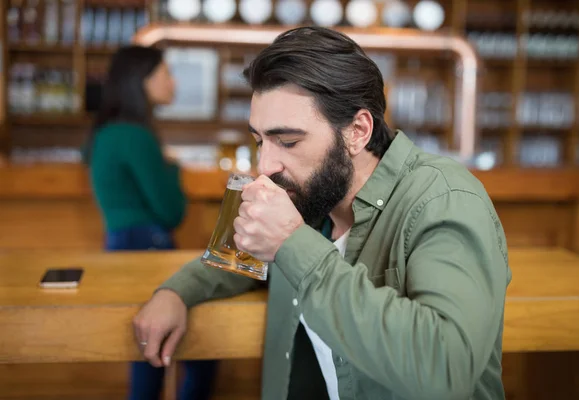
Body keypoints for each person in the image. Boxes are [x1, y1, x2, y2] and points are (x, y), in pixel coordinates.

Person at [133, 27, 511, 400]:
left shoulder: (444, 198)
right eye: (259, 140)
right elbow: (242, 257)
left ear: (357, 131)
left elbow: (446, 369)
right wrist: (177, 292)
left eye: (289, 141)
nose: (266, 164)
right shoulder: (312, 196)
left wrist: (292, 244)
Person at [84, 45, 217, 400]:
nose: (173, 81)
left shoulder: (106, 132)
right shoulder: (137, 136)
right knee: (197, 354)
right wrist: (171, 167)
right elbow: (171, 211)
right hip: (149, 248)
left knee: (147, 353)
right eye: (165, 73)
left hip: (119, 247)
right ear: (140, 81)